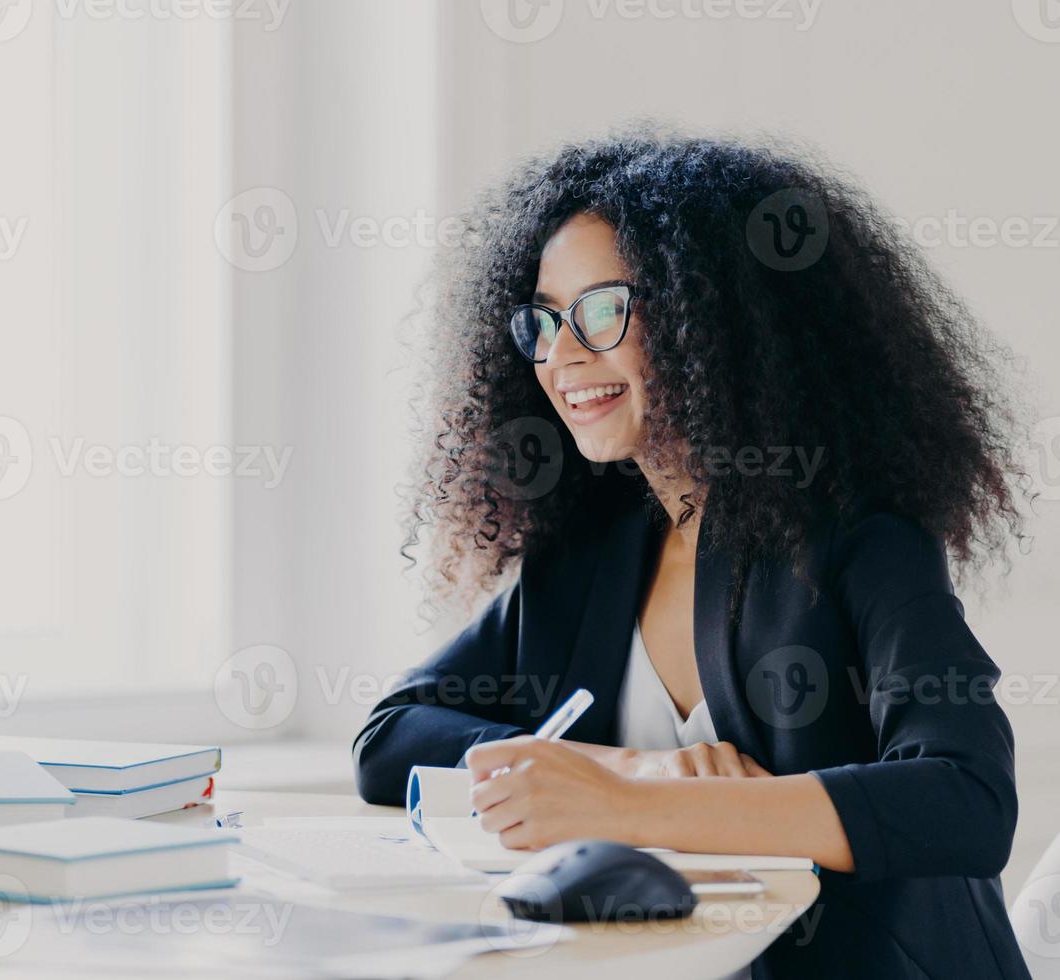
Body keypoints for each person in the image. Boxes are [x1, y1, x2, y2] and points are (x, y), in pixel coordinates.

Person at [354, 131, 1032, 978]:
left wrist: (639, 807)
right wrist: (631, 768)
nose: (562, 357)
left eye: (603, 310)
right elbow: (389, 739)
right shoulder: (589, 551)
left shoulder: (861, 535)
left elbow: (966, 801)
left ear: (711, 315)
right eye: (545, 320)